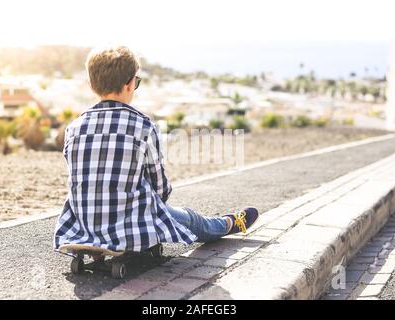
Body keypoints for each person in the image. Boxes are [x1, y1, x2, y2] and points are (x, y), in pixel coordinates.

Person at [53, 46, 259, 253]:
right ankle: (229, 223)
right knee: (190, 219)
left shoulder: (74, 128)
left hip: (82, 222)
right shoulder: (142, 125)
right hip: (129, 224)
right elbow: (160, 188)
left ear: (91, 85)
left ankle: (98, 239)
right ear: (130, 84)